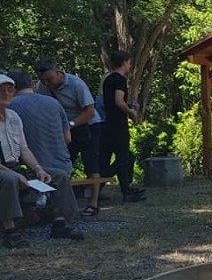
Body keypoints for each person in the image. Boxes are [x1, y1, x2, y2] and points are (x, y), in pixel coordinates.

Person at [0, 73, 82, 247]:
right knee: (10, 179)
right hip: (3, 170)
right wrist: (17, 176)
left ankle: (60, 223)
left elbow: (23, 149)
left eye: (10, 89)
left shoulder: (14, 117)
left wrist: (38, 169)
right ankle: (10, 231)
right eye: (2, 90)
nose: (7, 93)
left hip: (15, 166)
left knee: (58, 175)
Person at [34, 60, 103, 212]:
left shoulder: (76, 84)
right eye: (43, 80)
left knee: (91, 164)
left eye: (49, 79)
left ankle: (93, 203)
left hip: (87, 125)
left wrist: (69, 125)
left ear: (57, 73)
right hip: (63, 128)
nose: (46, 83)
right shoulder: (41, 87)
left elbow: (90, 111)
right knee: (61, 164)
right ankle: (59, 202)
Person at [99, 50, 146, 203]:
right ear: (125, 62)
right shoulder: (119, 79)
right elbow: (119, 101)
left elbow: (111, 102)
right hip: (118, 125)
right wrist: (131, 112)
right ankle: (124, 190)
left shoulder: (107, 79)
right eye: (130, 63)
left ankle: (98, 188)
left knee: (107, 157)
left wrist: (128, 106)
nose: (130, 66)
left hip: (107, 123)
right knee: (123, 157)